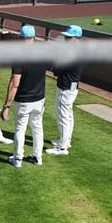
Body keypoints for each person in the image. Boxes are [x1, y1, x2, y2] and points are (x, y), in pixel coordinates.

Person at [0, 25, 46, 168]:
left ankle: (18, 159)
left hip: (24, 100)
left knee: (20, 129)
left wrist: (6, 106)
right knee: (37, 127)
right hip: (39, 99)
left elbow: (15, 83)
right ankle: (37, 157)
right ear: (33, 37)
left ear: (20, 38)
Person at [46, 25, 83, 156]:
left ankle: (62, 147)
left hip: (66, 87)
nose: (66, 39)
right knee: (68, 115)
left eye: (69, 37)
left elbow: (57, 70)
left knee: (63, 116)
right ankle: (66, 141)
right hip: (72, 86)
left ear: (77, 37)